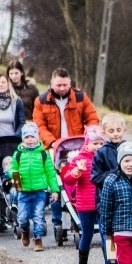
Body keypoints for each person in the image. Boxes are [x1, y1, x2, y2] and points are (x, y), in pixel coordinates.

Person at [33, 67, 100, 231]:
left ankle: (76, 218)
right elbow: (39, 126)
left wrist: (91, 136)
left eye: (65, 85)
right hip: (54, 147)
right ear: (51, 83)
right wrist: (52, 142)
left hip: (77, 148)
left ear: (70, 83)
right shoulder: (41, 101)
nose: (62, 88)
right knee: (56, 184)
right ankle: (57, 222)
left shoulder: (80, 97)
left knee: (77, 183)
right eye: (58, 85)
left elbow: (92, 118)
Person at [91, 113, 132, 264]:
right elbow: (95, 177)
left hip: (129, 205)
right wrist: (115, 175)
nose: (115, 134)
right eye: (111, 131)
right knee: (110, 242)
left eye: (118, 130)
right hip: (107, 205)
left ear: (124, 130)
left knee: (128, 242)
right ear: (104, 132)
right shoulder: (101, 153)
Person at [62, 127, 104, 264]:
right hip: (85, 204)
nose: (99, 147)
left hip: (103, 203)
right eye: (95, 144)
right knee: (87, 233)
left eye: (101, 143)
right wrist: (75, 173)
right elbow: (68, 180)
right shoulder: (79, 159)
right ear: (87, 145)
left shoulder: (105, 159)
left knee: (106, 234)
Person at [11, 123, 59, 252]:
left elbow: (50, 173)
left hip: (40, 191)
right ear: (22, 139)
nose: (30, 139)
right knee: (22, 217)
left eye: (32, 136)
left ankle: (38, 239)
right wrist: (14, 176)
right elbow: (12, 169)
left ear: (37, 138)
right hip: (24, 191)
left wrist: (54, 190)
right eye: (27, 137)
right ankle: (25, 231)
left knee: (38, 216)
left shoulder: (43, 154)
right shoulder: (18, 154)